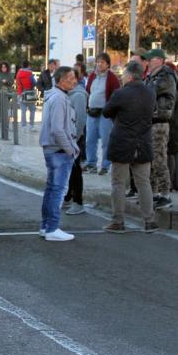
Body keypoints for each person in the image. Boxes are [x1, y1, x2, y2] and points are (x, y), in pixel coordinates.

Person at [101, 61, 157, 233]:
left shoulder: (121, 93)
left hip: (123, 142)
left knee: (118, 183)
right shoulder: (150, 92)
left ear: (130, 76)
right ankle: (149, 220)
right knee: (143, 183)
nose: (122, 77)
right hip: (143, 142)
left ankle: (118, 221)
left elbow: (106, 111)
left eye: (124, 74)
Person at [38, 66, 79, 242]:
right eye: (71, 78)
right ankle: (52, 228)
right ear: (61, 80)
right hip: (59, 150)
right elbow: (57, 129)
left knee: (51, 189)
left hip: (53, 149)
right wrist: (70, 149)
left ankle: (46, 226)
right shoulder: (59, 98)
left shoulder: (54, 96)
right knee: (58, 190)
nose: (74, 80)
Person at [143, 49, 176, 209]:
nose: (147, 62)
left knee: (159, 158)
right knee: (152, 158)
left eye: (151, 59)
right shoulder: (152, 76)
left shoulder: (166, 76)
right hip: (151, 120)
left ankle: (165, 194)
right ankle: (155, 193)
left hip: (160, 121)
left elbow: (150, 92)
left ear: (160, 60)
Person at [84, 53, 120, 175]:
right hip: (91, 112)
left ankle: (105, 165)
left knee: (106, 140)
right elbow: (88, 91)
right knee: (90, 139)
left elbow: (115, 95)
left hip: (104, 114)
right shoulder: (92, 76)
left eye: (102, 62)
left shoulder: (112, 78)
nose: (99, 64)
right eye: (98, 62)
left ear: (108, 64)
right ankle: (91, 163)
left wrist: (110, 110)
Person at [62, 66, 88, 216]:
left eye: (70, 78)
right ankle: (68, 197)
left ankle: (78, 202)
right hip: (67, 138)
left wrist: (74, 140)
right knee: (70, 170)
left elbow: (80, 120)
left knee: (75, 170)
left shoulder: (78, 95)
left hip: (74, 139)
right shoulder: (67, 94)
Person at [15, 60, 38, 131]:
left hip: (20, 93)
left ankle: (23, 127)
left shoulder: (18, 73)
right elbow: (34, 83)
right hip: (29, 93)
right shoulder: (29, 73)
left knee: (23, 111)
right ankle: (31, 126)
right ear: (29, 66)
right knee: (32, 110)